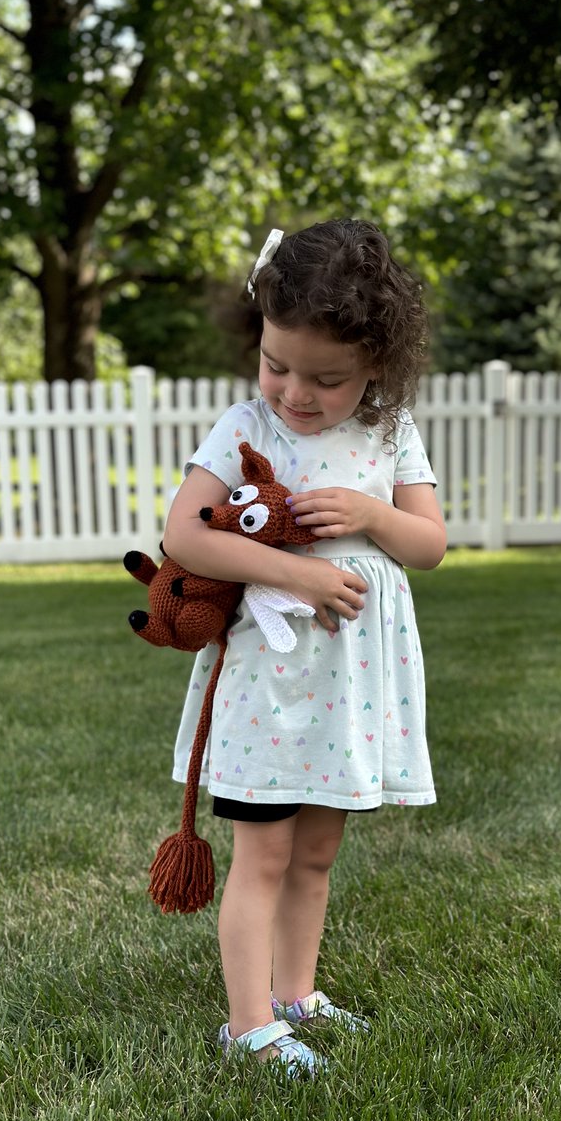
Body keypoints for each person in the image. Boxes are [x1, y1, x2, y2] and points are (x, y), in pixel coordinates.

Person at [161, 219, 447, 1077]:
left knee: (317, 851)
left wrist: (370, 517)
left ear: (377, 369)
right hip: (270, 683)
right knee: (266, 851)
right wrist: (299, 580)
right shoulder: (246, 426)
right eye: (277, 363)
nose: (294, 393)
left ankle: (297, 994)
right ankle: (248, 1023)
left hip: (351, 687)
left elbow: (429, 544)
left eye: (327, 379)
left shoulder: (389, 432)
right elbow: (184, 537)